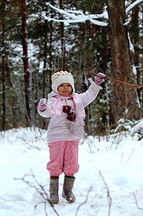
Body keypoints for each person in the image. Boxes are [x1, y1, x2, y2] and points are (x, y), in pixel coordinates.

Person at [37, 70, 105, 204]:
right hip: (56, 137)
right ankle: (53, 192)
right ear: (56, 88)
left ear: (72, 87)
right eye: (61, 86)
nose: (65, 88)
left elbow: (90, 94)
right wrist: (43, 108)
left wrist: (96, 83)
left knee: (71, 163)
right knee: (55, 162)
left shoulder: (77, 99)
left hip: (73, 136)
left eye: (68, 85)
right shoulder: (53, 100)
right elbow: (47, 112)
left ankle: (67, 191)